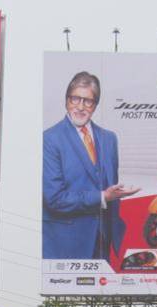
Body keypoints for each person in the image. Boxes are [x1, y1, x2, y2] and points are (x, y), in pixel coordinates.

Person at [42, 71, 140, 264]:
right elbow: (54, 199)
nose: (80, 107)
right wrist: (103, 197)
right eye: (75, 99)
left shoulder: (109, 139)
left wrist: (117, 192)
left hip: (103, 242)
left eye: (88, 101)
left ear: (95, 105)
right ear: (66, 101)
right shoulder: (49, 139)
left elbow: (108, 184)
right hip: (65, 245)